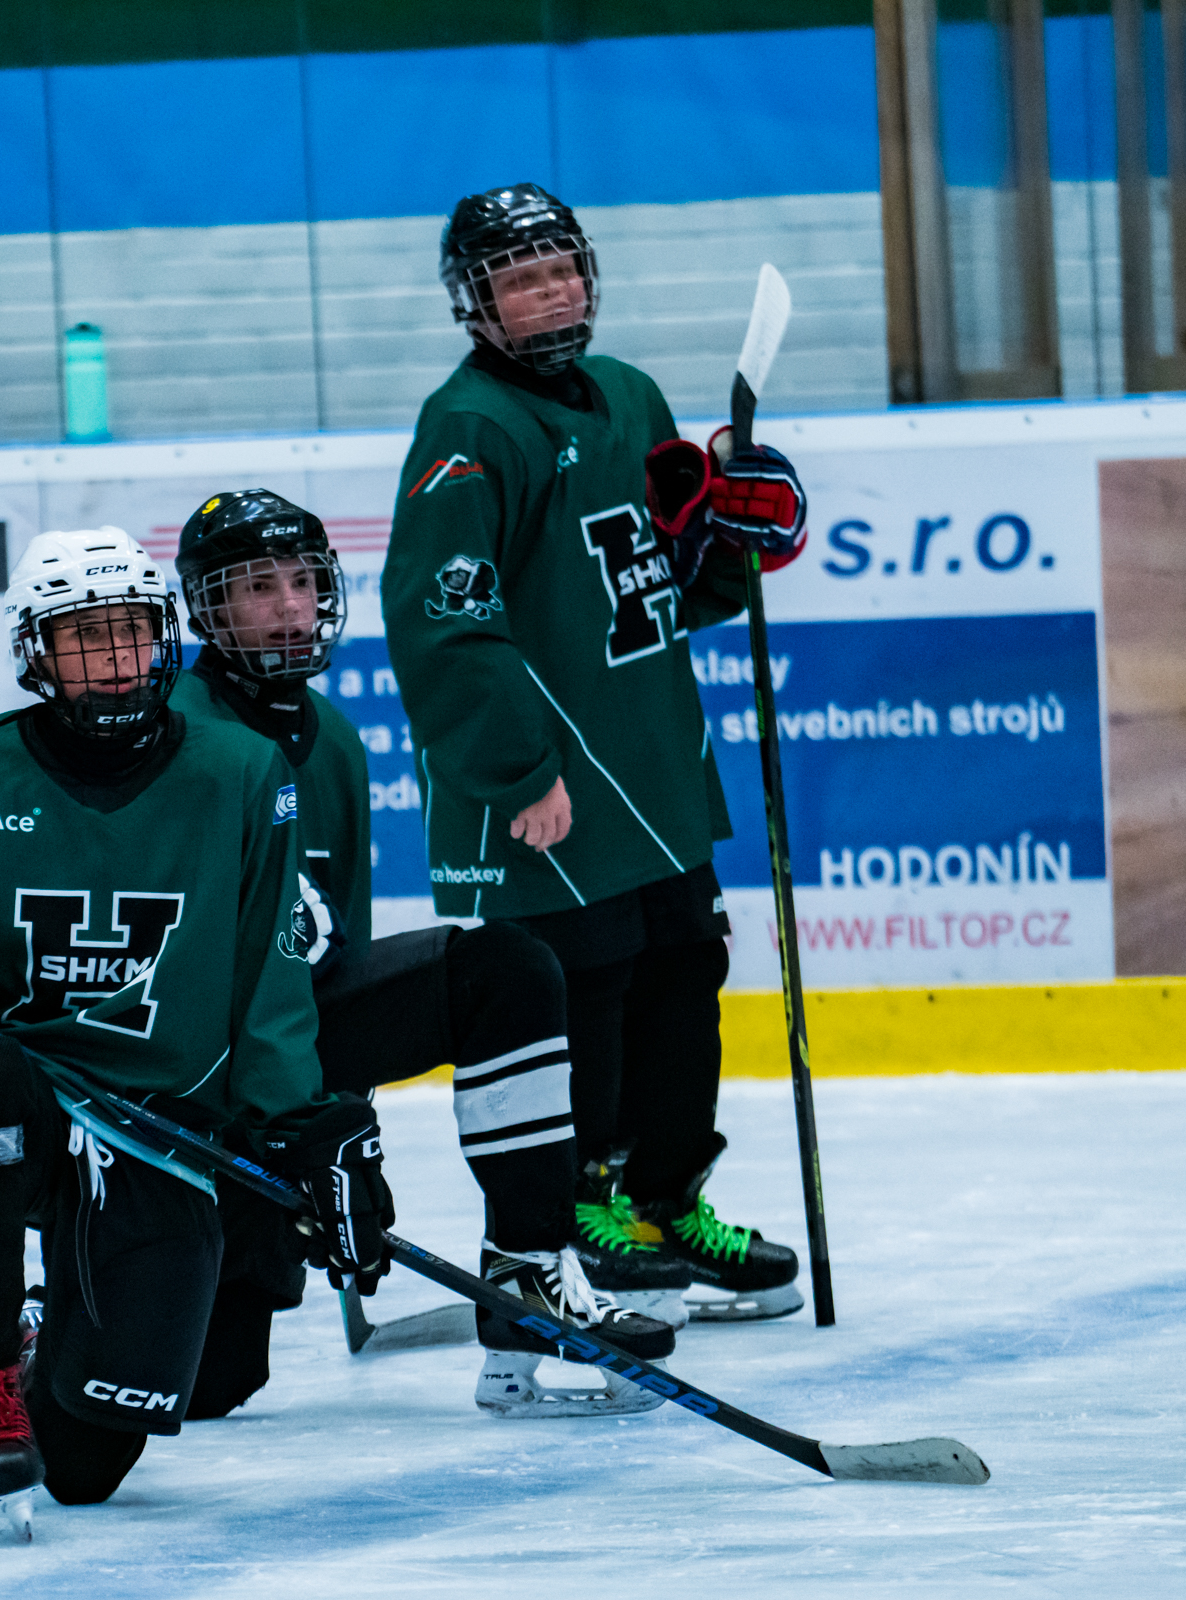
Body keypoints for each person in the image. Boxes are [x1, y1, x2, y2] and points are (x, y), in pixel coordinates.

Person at [0, 527, 394, 1529]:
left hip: (159, 1124)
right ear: (37, 654)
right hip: (20, 1099)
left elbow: (269, 967)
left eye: (132, 635)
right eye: (87, 640)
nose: (118, 660)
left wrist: (305, 1122)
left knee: (84, 1459)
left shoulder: (243, 772)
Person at [379, 183, 805, 1321]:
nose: (549, 292)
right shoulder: (467, 429)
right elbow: (440, 617)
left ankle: (668, 1199)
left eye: (560, 269)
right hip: (550, 788)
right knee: (588, 994)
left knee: (683, 976)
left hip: (653, 766)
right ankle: (584, 1203)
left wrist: (741, 534)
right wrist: (517, 769)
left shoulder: (630, 395)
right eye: (520, 278)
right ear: (475, 304)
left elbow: (662, 576)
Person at [169, 487, 678, 1420]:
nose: (289, 607)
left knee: (507, 971)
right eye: (257, 589)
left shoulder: (333, 741)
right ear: (205, 606)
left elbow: (333, 955)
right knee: (203, 1382)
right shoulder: (179, 738)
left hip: (288, 1050)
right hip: (192, 1081)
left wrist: (335, 1127)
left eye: (304, 582)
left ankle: (528, 1272)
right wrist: (283, 1126)